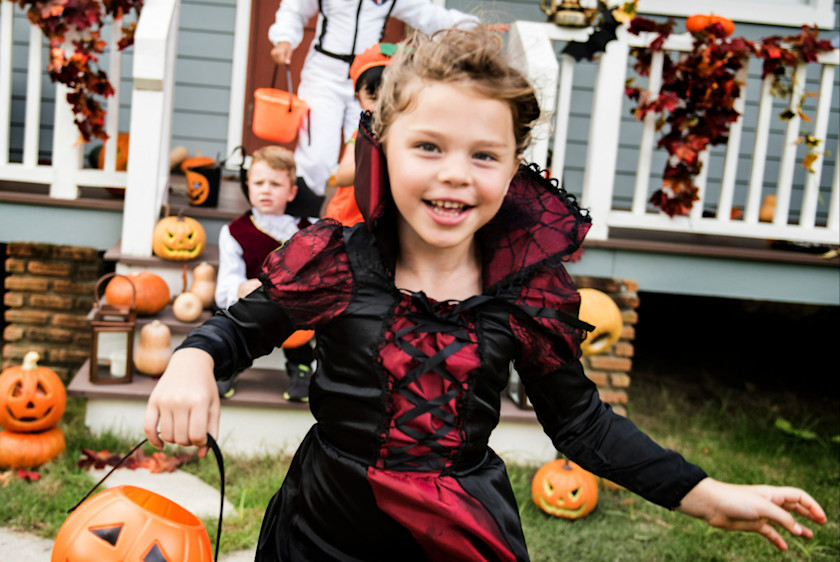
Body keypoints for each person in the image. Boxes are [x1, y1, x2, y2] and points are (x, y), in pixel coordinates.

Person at [145, 27, 826, 560]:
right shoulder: (339, 263)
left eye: (483, 155)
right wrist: (192, 360)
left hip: (457, 530)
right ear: (385, 144)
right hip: (325, 529)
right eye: (429, 147)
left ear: (513, 165)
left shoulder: (526, 295)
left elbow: (581, 422)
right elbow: (237, 330)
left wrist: (702, 495)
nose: (455, 176)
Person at [267, 0, 481, 208]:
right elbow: (294, 9)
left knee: (366, 150)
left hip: (367, 78)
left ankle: (361, 214)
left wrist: (472, 28)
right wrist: (284, 39)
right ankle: (305, 215)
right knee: (317, 155)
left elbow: (428, 15)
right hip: (325, 73)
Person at [214, 145, 316, 402]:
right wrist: (239, 288)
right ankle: (230, 365)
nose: (266, 189)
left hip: (293, 307)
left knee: (305, 319)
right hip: (253, 301)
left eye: (275, 184)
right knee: (232, 318)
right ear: (248, 187)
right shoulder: (235, 231)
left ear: (292, 192)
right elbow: (228, 277)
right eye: (259, 183)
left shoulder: (308, 231)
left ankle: (301, 367)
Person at [323, 41, 396, 226]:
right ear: (358, 98)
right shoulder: (362, 135)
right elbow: (341, 176)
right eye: (373, 97)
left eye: (390, 96)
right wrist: (374, 159)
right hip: (352, 220)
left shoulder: (405, 135)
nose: (381, 105)